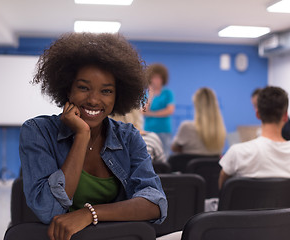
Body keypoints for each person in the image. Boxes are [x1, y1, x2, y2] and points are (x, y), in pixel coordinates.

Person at [19, 32, 167, 240]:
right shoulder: (38, 131)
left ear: (118, 96)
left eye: (106, 91)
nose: (94, 100)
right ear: (67, 88)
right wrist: (82, 135)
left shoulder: (128, 137)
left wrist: (90, 214)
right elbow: (48, 209)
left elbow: (155, 202)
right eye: (83, 88)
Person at [219, 86, 290, 189]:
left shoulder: (237, 152)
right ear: (285, 116)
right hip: (283, 205)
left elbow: (222, 188)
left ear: (257, 114)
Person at [171, 87, 226, 155]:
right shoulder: (220, 130)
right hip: (212, 165)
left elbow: (174, 148)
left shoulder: (187, 127)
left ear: (196, 104)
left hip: (187, 165)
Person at [142, 63, 175, 157]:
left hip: (163, 130)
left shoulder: (168, 93)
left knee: (165, 155)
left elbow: (169, 110)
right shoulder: (146, 94)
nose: (156, 81)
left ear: (163, 79)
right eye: (153, 78)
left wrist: (151, 114)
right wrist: (150, 95)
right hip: (148, 130)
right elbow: (143, 111)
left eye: (158, 78)